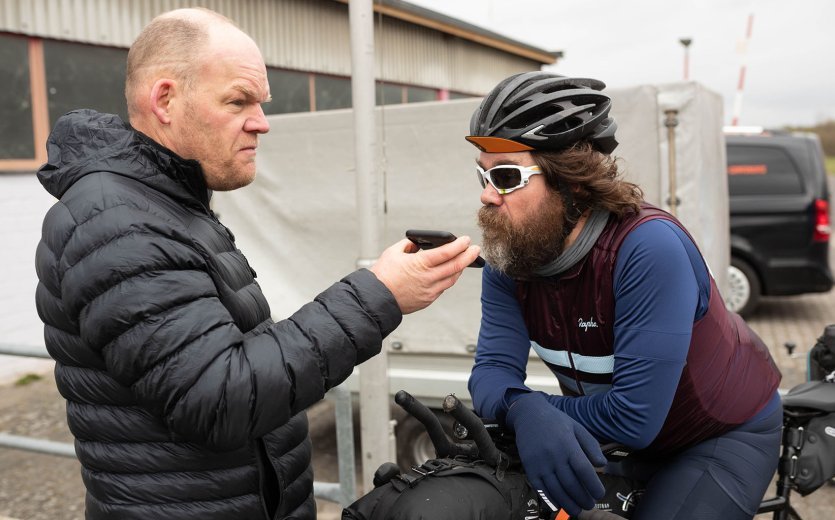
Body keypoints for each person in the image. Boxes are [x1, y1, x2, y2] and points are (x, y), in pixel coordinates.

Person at [34, 8, 480, 520]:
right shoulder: (116, 222)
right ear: (164, 100)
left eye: (260, 103)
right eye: (238, 100)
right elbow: (218, 396)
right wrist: (379, 294)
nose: (261, 123)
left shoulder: (163, 204)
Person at [464, 71, 782, 519]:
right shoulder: (512, 256)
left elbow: (635, 416)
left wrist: (536, 409)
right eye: (482, 174)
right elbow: (492, 371)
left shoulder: (647, 248)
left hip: (718, 433)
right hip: (618, 432)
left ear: (570, 180)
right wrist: (522, 408)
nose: (487, 195)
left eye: (507, 176)